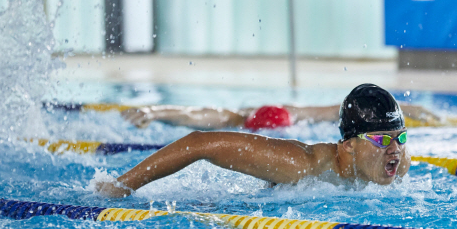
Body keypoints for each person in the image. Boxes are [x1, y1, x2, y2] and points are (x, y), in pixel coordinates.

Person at [96, 84, 412, 197]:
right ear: (348, 145)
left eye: (400, 138)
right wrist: (120, 187)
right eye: (383, 140)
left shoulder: (397, 164)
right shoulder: (301, 164)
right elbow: (198, 142)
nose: (395, 150)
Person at [120, 97, 439, 130]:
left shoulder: (297, 114)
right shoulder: (233, 118)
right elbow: (191, 114)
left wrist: (406, 109)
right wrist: (153, 110)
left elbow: (350, 107)